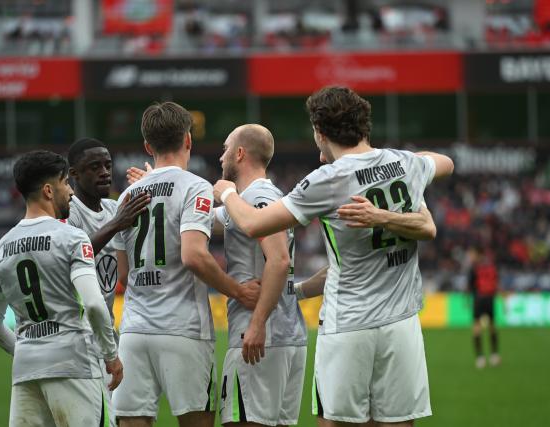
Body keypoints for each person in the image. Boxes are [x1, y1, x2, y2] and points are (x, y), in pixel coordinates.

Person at [214, 86, 454, 427]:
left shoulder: (327, 180)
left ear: (320, 132)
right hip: (402, 323)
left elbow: (253, 224)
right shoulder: (405, 163)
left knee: (335, 422)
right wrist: (403, 170)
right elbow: (445, 162)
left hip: (349, 324)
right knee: (399, 421)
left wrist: (227, 194)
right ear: (364, 126)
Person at [112, 102, 260, 427]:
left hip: (135, 329)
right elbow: (193, 256)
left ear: (148, 146)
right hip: (183, 328)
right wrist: (237, 292)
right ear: (188, 140)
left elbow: (124, 273)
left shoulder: (127, 196)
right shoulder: (195, 187)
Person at [0, 150, 122, 427]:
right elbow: (94, 304)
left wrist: (26, 350)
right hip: (74, 363)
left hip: (25, 371)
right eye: (65, 183)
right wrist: (111, 355)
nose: (70, 191)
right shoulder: (71, 238)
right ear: (48, 190)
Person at [216, 124, 308, 427]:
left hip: (259, 337)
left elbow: (279, 260)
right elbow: (204, 215)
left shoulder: (258, 196)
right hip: (286, 335)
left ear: (240, 154)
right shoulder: (257, 198)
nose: (221, 157)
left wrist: (256, 324)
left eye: (226, 148)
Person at [66, 137, 150, 407]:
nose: (104, 171)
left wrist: (151, 185)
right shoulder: (69, 211)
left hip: (104, 335)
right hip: (74, 336)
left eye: (107, 165)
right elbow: (68, 257)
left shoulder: (115, 209)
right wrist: (116, 225)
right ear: (74, 174)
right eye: (94, 167)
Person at [468, 248, 501, 369]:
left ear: (477, 254)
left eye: (472, 254)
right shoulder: (491, 266)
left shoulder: (474, 268)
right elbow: (496, 282)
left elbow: (470, 286)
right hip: (490, 298)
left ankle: (480, 358)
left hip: (479, 299)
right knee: (492, 326)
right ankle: (494, 356)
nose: (470, 256)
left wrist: (467, 299)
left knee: (477, 328)